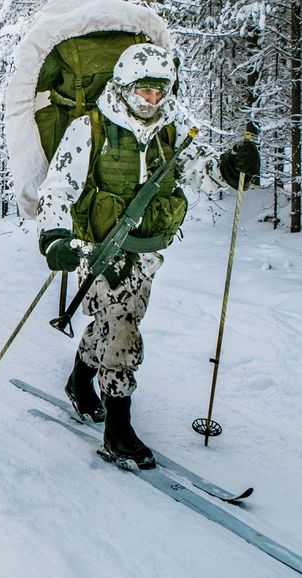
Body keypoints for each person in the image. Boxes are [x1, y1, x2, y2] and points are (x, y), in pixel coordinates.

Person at [36, 44, 259, 469]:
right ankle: (118, 427)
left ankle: (80, 383)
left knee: (109, 321)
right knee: (123, 329)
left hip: (146, 253)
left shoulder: (169, 134)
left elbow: (202, 175)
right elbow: (58, 186)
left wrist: (231, 167)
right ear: (123, 88)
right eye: (143, 92)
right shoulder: (91, 128)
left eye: (159, 93)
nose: (150, 101)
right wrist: (55, 236)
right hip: (98, 249)